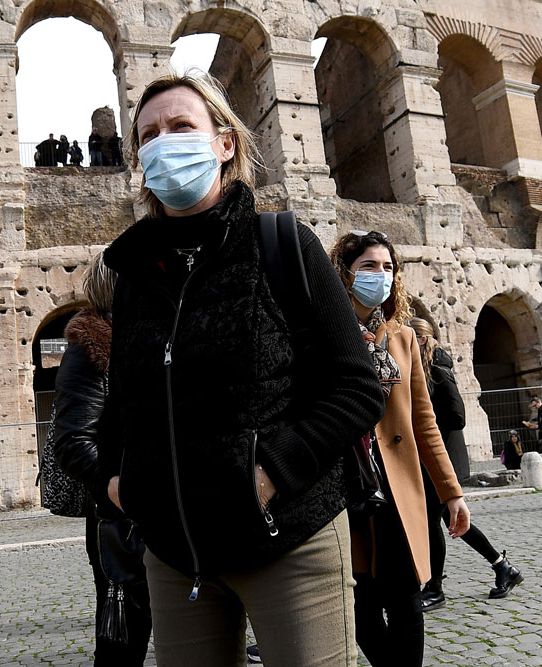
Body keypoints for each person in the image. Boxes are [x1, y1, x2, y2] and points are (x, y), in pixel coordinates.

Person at [97, 70, 385, 666]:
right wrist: (120, 484)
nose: (163, 143)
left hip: (289, 537)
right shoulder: (133, 276)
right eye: (148, 136)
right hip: (176, 554)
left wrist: (273, 469)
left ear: (224, 143)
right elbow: (123, 404)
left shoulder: (284, 244)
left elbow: (357, 387)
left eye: (181, 126)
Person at [329, 231, 470, 666]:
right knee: (361, 602)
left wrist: (452, 492)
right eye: (369, 266)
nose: (381, 275)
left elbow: (424, 423)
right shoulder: (325, 332)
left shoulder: (403, 338)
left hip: (397, 487)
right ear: (346, 273)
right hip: (346, 484)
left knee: (406, 599)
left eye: (388, 267)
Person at [53, 251, 152, 665]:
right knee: (123, 641)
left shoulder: (147, 340)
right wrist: (119, 489)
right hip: (122, 515)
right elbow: (73, 441)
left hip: (161, 508)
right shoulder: (89, 350)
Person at [410, 317, 524, 609]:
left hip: (445, 458)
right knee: (451, 520)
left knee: (434, 521)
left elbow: (458, 416)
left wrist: (428, 429)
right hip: (434, 460)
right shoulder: (424, 369)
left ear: (421, 339)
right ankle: (503, 566)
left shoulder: (438, 370)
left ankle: (434, 588)